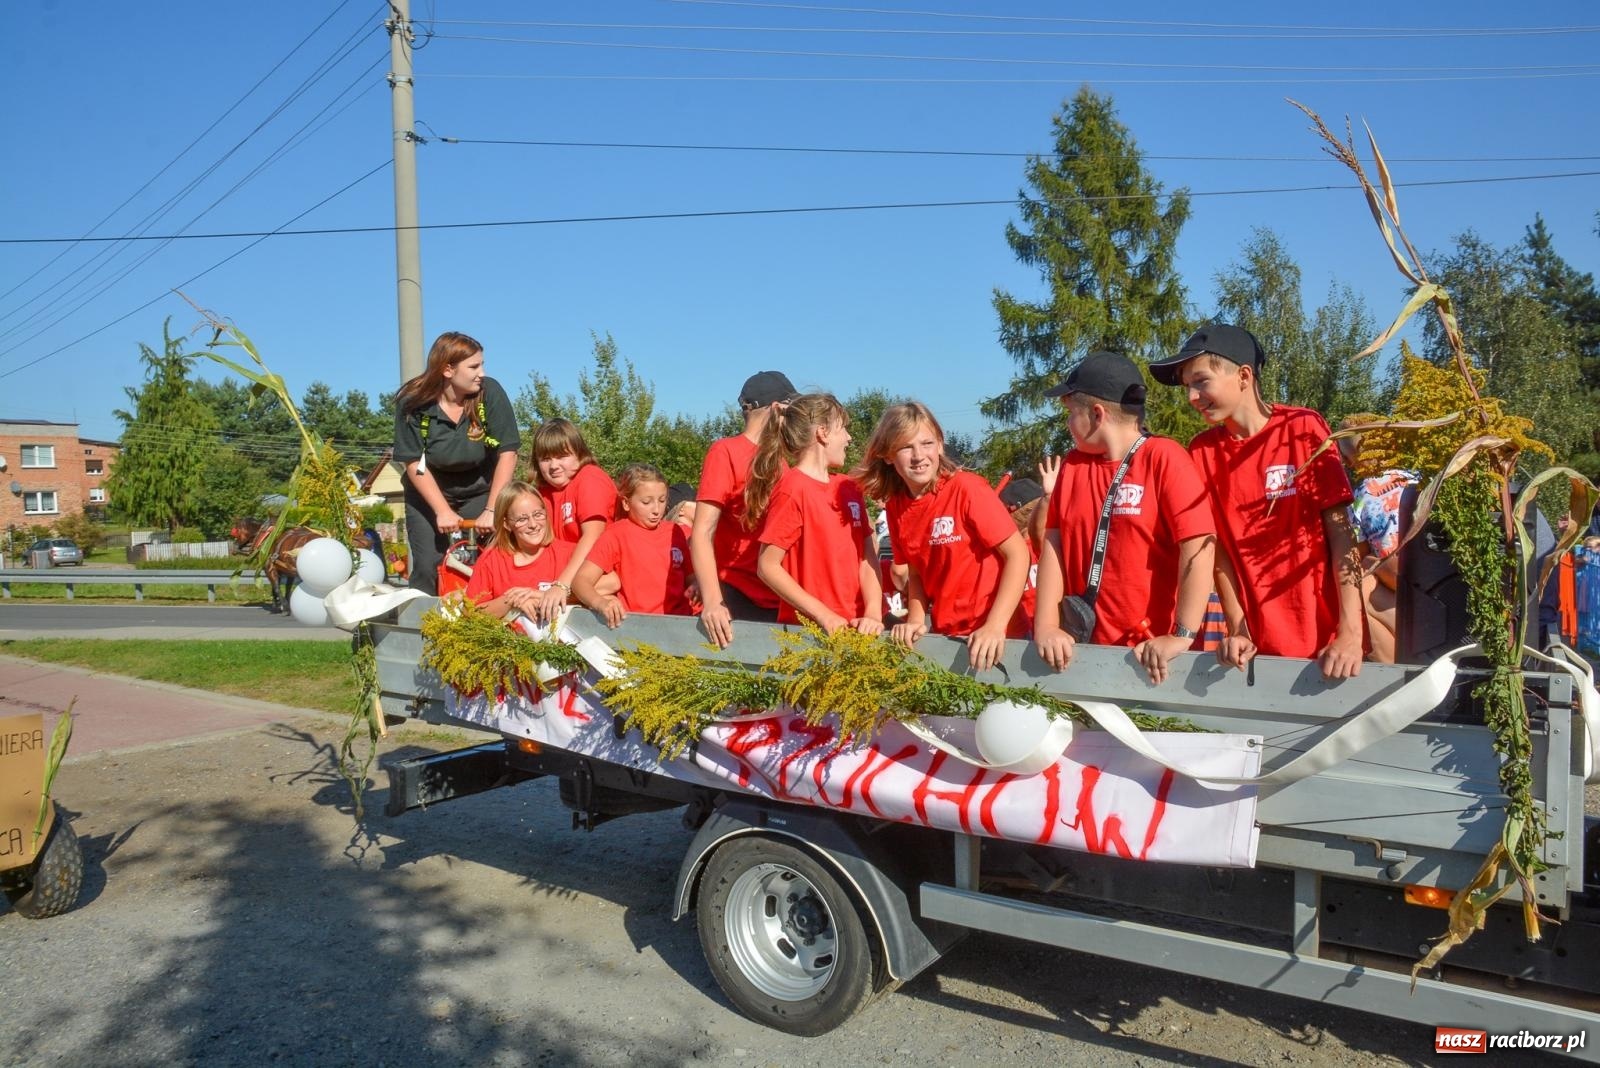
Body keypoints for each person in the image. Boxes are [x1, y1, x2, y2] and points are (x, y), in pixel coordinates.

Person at [1150, 323, 1364, 680]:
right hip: (1253, 653)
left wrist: (1350, 634)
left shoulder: (1303, 427)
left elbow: (1342, 533)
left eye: (1201, 382)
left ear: (1244, 376)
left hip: (1329, 648)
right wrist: (1238, 627)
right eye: (1187, 386)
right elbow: (1216, 552)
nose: (1191, 397)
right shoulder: (1202, 452)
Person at [1033, 351, 1216, 686]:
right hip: (1080, 655)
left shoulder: (1164, 458)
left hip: (1151, 661)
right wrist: (1046, 626)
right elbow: (1054, 544)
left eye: (1071, 413)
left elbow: (1200, 547)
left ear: (1097, 414)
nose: (1068, 424)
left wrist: (1182, 634)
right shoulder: (1073, 465)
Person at [855, 402, 1030, 671]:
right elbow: (916, 572)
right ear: (888, 455)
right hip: (948, 637)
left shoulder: (966, 488)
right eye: (906, 447)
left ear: (939, 444)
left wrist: (995, 626)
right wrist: (915, 621)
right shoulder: (896, 507)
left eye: (927, 443)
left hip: (1001, 639)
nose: (919, 456)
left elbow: (1017, 554)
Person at [393, 331, 521, 596]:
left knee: (490, 559)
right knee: (428, 564)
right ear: (448, 369)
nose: (481, 373)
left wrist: (491, 509)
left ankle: (488, 614)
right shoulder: (414, 402)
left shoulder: (489, 393)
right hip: (430, 491)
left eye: (482, 364)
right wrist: (442, 510)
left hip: (480, 489)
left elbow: (508, 453)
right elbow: (413, 461)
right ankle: (425, 619)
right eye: (473, 367)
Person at [746, 393, 882, 635]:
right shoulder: (793, 489)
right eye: (843, 428)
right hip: (810, 635)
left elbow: (867, 558)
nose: (849, 437)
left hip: (861, 631)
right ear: (823, 433)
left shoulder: (849, 487)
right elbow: (767, 566)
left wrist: (873, 613)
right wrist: (824, 615)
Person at [691, 371, 799, 647]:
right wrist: (713, 601)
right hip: (736, 595)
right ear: (777, 409)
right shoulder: (725, 451)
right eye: (790, 411)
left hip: (776, 594)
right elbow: (702, 531)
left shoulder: (780, 461)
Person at [572, 463, 694, 627]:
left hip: (680, 624)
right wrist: (600, 603)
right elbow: (580, 581)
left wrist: (697, 586)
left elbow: (691, 577)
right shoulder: (616, 534)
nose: (656, 509)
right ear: (626, 503)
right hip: (637, 626)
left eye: (662, 500)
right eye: (646, 502)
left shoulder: (675, 531)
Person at [528, 419, 620, 617]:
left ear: (579, 453)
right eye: (545, 459)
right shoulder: (543, 493)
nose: (554, 466)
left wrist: (562, 585)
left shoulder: (590, 478)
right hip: (563, 579)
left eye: (562, 456)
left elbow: (593, 536)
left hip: (598, 577)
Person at [463, 481, 575, 623]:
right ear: (506, 524)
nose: (533, 524)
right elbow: (469, 613)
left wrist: (542, 596)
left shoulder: (569, 554)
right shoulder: (491, 560)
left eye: (538, 514)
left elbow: (598, 592)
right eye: (522, 519)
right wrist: (511, 601)